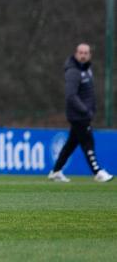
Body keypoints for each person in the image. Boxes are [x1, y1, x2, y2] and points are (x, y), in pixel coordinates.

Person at [48, 43, 113, 183]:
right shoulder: (73, 72)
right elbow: (71, 96)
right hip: (78, 116)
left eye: (86, 53)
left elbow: (88, 94)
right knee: (88, 142)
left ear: (90, 55)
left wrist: (92, 109)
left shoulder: (88, 70)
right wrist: (85, 110)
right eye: (81, 52)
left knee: (71, 144)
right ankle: (98, 172)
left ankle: (56, 171)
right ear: (76, 54)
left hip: (84, 115)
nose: (83, 55)